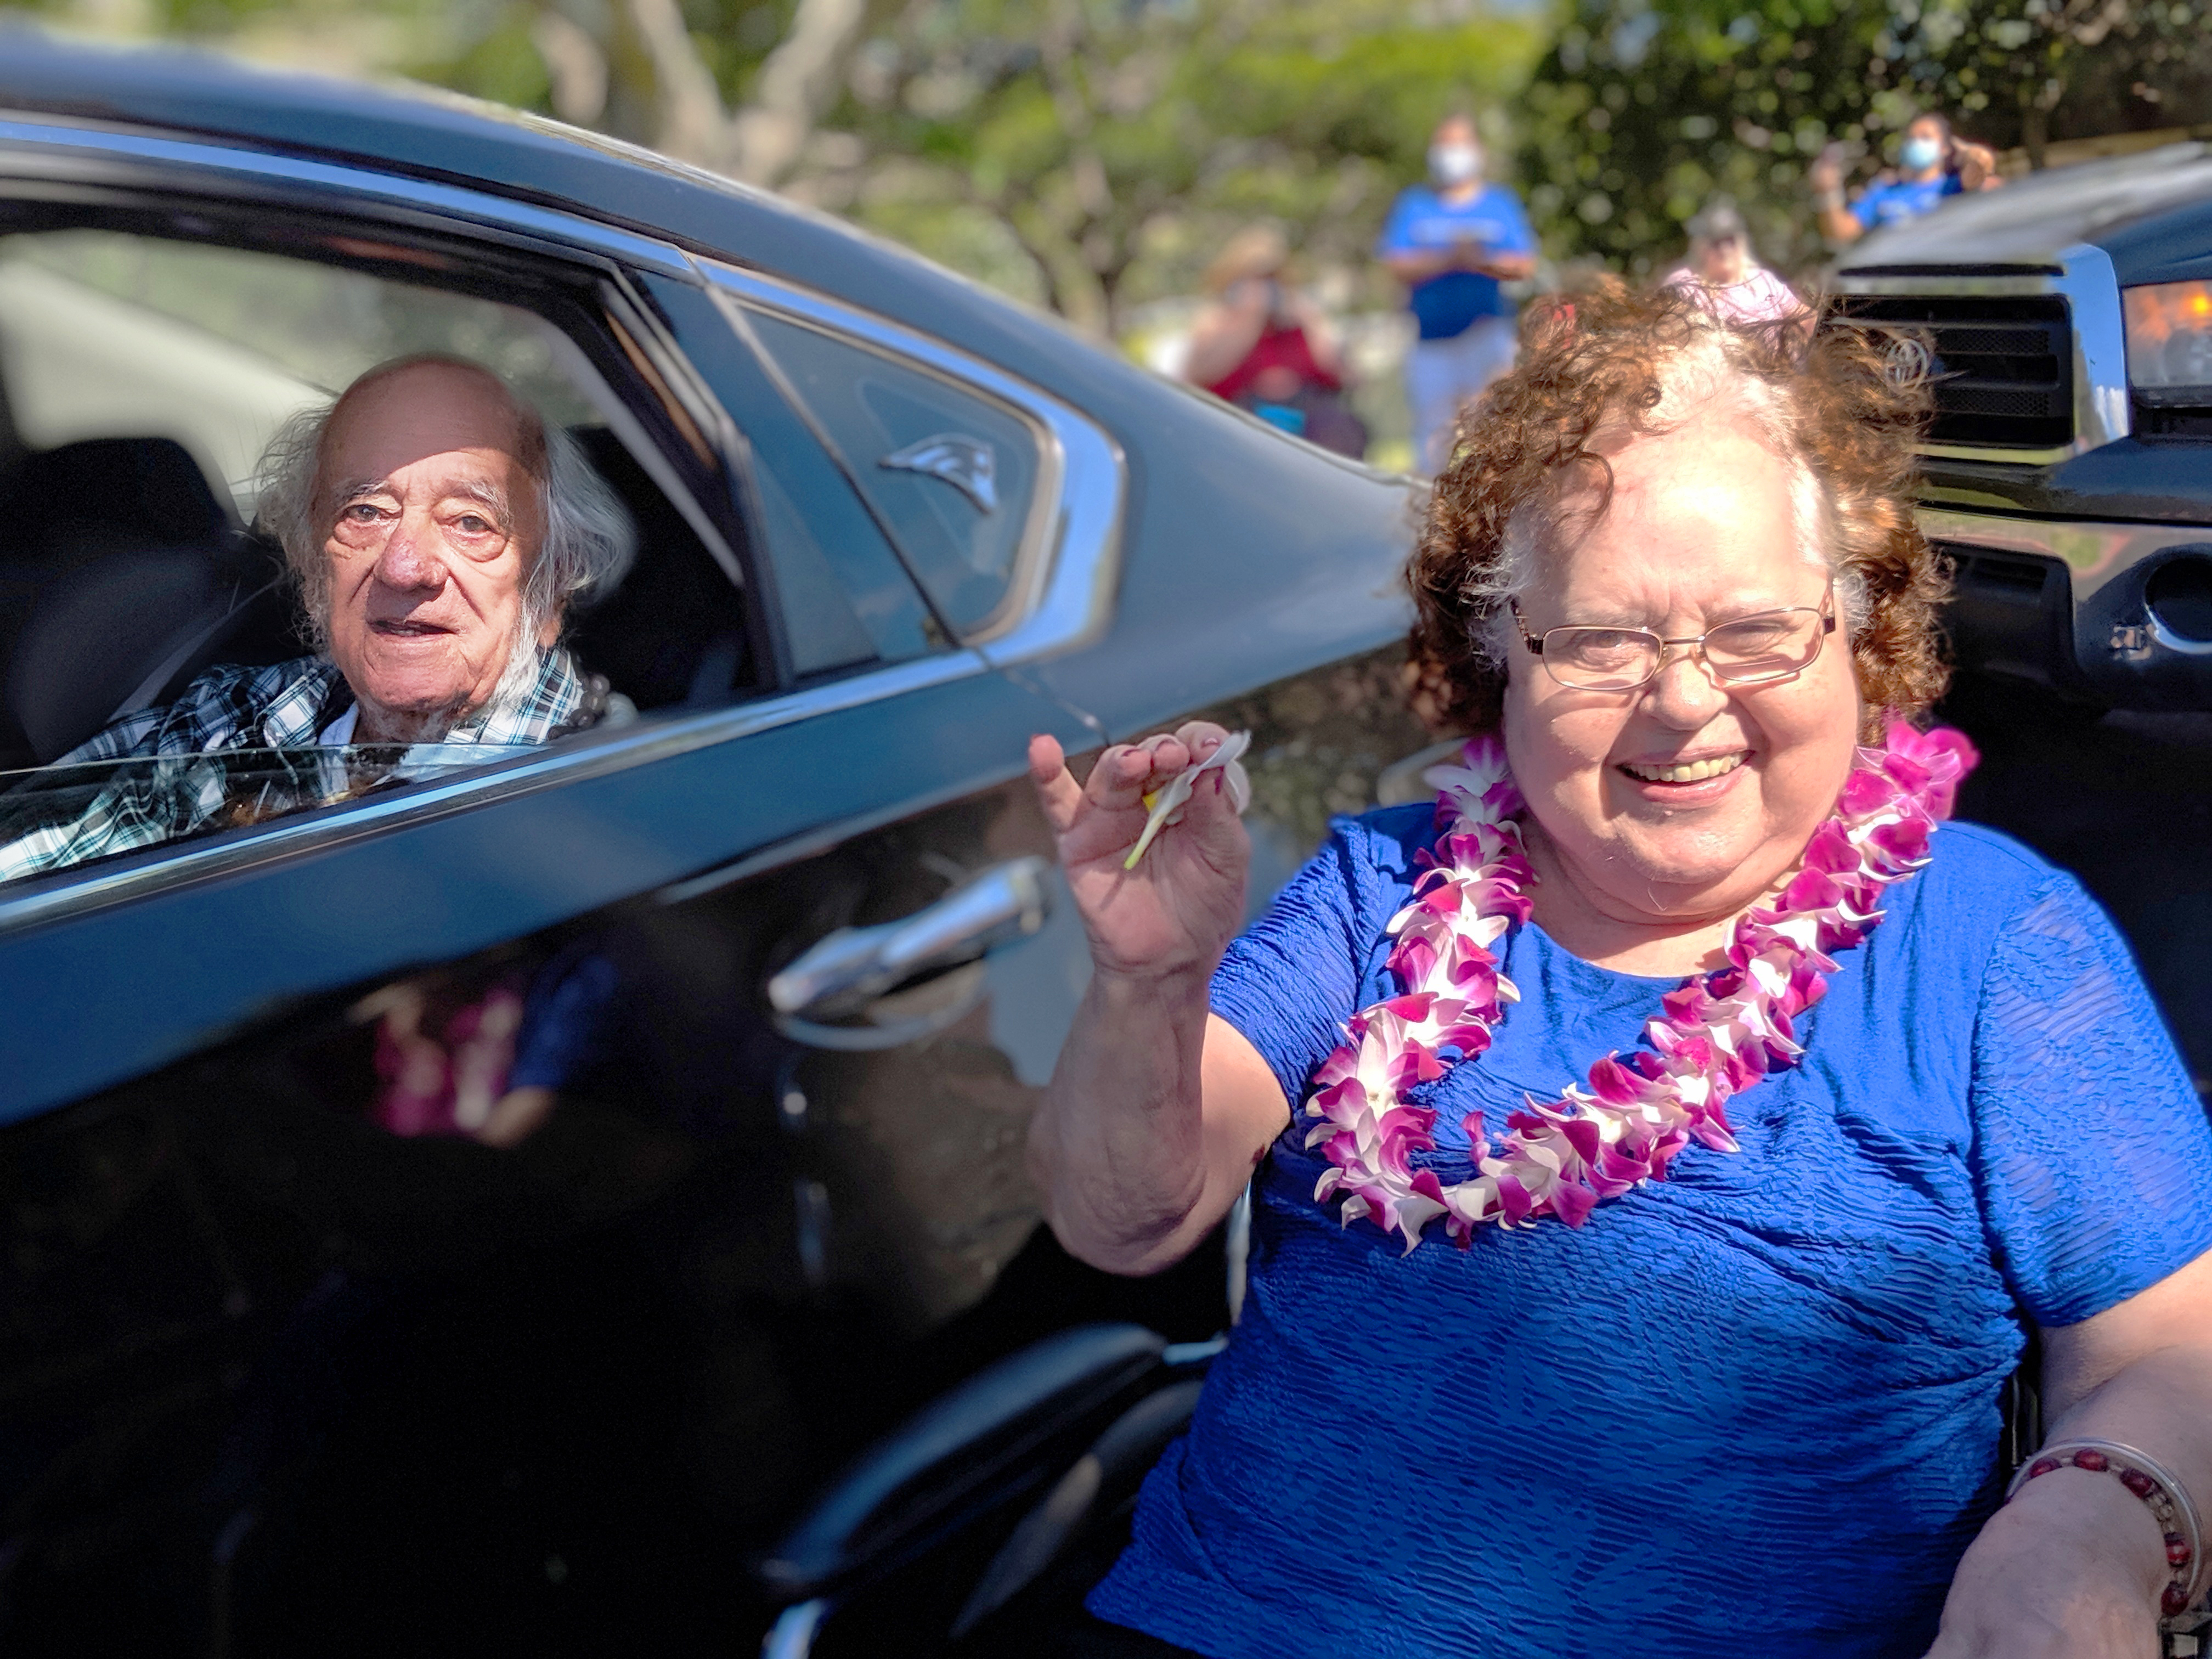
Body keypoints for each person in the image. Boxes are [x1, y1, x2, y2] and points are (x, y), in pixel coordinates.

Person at [1023, 281, 2212, 1656]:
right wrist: (1149, 988)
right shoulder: (1379, 889)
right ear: (1499, 655)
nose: (1684, 698)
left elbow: (2172, 1348)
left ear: (1854, 629)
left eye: (1756, 629)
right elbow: (1123, 1222)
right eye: (1601, 641)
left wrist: (2088, 1525)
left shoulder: (1995, 946)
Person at [0, 356, 634, 879]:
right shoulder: (249, 714)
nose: (404, 566)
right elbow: (36, 852)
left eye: (470, 523)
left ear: (549, 586)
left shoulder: (594, 802)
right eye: (366, 512)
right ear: (312, 569)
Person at [1376, 112, 1537, 472]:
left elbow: (1524, 264)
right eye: (1444, 145)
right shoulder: (1414, 204)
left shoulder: (1500, 203)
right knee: (1434, 437)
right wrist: (1450, 259)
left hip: (1488, 335)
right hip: (1431, 338)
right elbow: (1396, 264)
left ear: (1477, 150)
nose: (1451, 153)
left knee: (1498, 426)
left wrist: (1479, 261)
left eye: (1459, 144)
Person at [1183, 225, 1365, 459]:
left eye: (1270, 277)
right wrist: (1248, 322)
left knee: (1339, 429)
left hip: (1306, 420)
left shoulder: (1302, 318)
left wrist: (1310, 324)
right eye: (1253, 277)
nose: (1263, 286)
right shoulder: (1216, 320)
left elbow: (1345, 375)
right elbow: (1198, 376)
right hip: (1238, 421)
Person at [1812, 111, 2001, 244]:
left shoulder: (1954, 186)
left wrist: (1967, 151)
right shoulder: (1884, 191)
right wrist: (1828, 193)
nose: (1916, 144)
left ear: (1944, 148)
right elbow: (1840, 232)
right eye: (1911, 139)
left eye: (1926, 138)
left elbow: (1982, 163)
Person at [1662, 199, 1804, 325]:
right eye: (1716, 242)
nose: (1725, 250)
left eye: (1730, 241)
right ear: (1701, 248)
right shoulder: (1687, 286)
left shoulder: (1764, 281)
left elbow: (1805, 319)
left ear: (1741, 243)